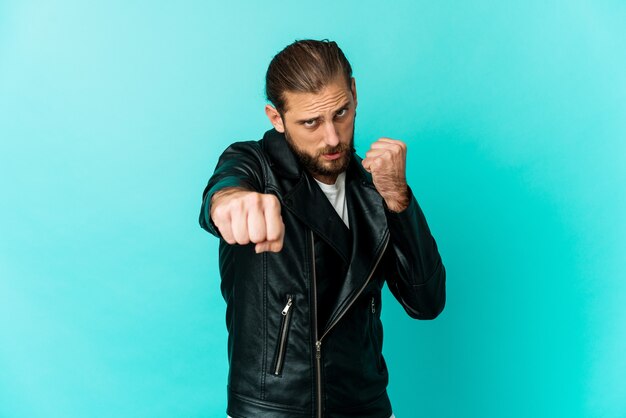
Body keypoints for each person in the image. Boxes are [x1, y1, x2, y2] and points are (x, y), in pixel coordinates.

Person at [199, 39, 446, 418]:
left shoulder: (375, 189)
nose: (332, 138)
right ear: (276, 118)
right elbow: (225, 188)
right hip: (273, 410)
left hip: (366, 406)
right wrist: (231, 202)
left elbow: (426, 302)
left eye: (341, 113)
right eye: (311, 122)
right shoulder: (253, 166)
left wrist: (398, 199)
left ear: (355, 94)